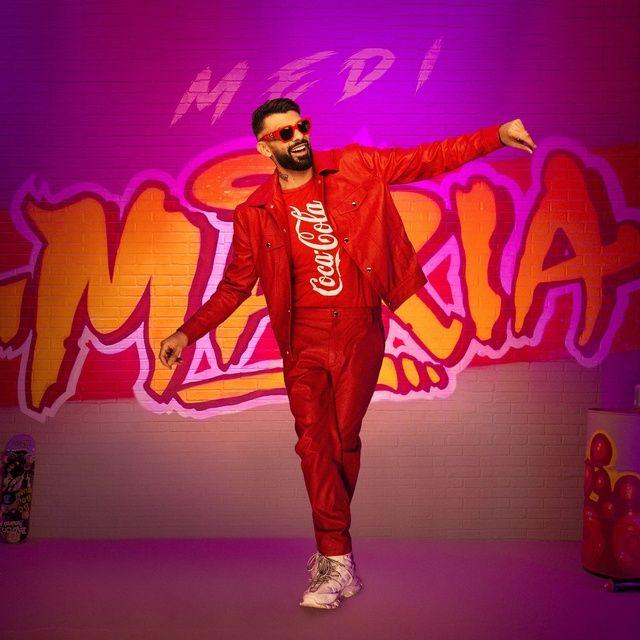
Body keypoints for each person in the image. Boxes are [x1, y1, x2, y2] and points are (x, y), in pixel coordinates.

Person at [159, 98, 536, 609]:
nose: (297, 136)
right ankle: (336, 558)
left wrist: (496, 134)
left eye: (300, 126)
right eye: (283, 133)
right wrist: (187, 333)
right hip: (302, 339)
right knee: (314, 444)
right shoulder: (254, 213)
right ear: (264, 148)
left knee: (342, 441)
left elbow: (426, 159)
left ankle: (333, 555)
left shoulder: (355, 166)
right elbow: (234, 286)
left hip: (360, 328)